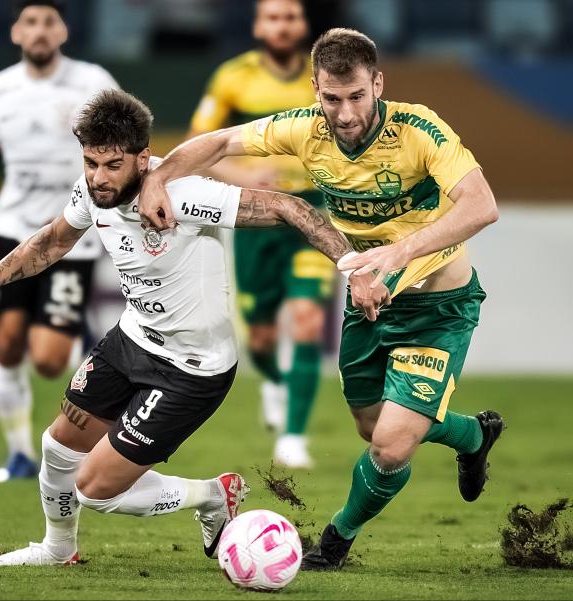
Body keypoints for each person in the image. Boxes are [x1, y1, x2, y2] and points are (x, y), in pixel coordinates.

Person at [0, 89, 354, 566]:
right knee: (57, 447)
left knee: (96, 490)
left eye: (111, 165)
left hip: (192, 368)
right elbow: (52, 241)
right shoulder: (91, 192)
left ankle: (213, 495)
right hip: (131, 341)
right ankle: (57, 549)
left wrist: (354, 264)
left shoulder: (186, 193)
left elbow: (289, 208)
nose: (97, 177)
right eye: (90, 162)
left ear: (143, 158)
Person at [138, 28, 504, 571]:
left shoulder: (420, 129)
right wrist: (159, 177)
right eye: (332, 99)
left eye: (357, 96)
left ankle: (336, 540)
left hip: (437, 305)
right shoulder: (305, 131)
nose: (346, 112)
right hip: (368, 299)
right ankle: (473, 435)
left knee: (390, 446)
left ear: (378, 83)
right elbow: (216, 142)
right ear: (316, 90)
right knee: (371, 425)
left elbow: (481, 206)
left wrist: (394, 255)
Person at [0, 0, 119, 483]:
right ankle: (17, 454)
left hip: (71, 234)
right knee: (8, 344)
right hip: (13, 230)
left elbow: (123, 146)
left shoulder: (93, 81)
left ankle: (85, 355)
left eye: (48, 22)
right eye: (29, 22)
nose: (38, 31)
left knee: (50, 361)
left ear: (63, 30)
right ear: (15, 32)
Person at [188, 0, 335, 468]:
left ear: (303, 24)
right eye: (273, 16)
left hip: (313, 211)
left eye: (291, 16)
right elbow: (200, 147)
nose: (283, 24)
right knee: (262, 339)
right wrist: (245, 177)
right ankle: (273, 379)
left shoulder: (326, 77)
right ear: (258, 25)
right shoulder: (232, 77)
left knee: (309, 320)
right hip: (254, 217)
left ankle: (293, 438)